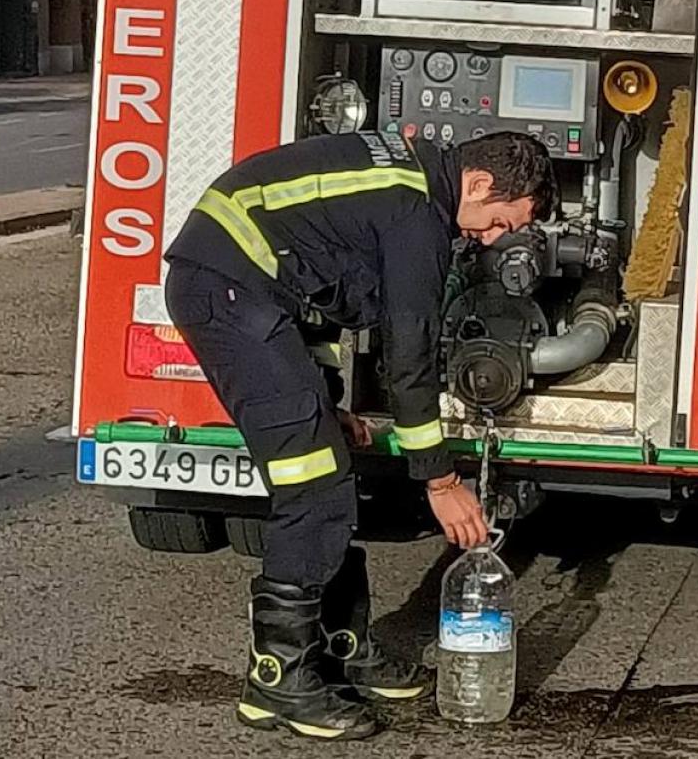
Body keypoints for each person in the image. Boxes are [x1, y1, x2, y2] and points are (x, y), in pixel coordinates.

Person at [163, 130, 557, 741]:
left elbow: (315, 284)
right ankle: (278, 679)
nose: (497, 237)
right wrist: (440, 479)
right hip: (229, 292)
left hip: (247, 288)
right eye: (502, 220)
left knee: (330, 460)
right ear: (478, 185)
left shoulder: (410, 183)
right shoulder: (415, 216)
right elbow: (409, 355)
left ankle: (340, 647)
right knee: (313, 486)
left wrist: (327, 401)